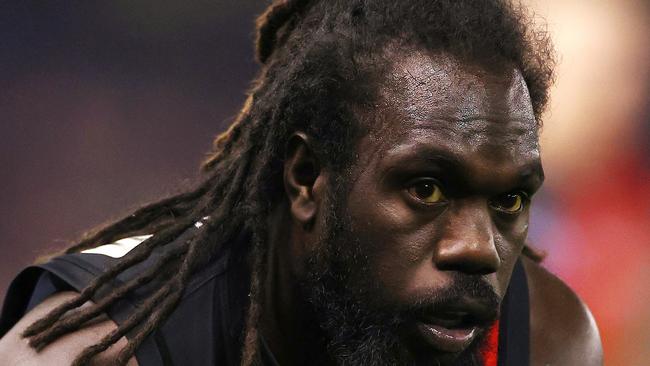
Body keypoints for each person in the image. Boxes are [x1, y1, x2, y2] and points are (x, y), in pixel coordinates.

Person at [0, 0, 603, 365]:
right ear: (307, 179)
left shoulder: (544, 340)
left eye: (508, 200)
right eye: (427, 189)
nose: (478, 248)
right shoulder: (95, 350)